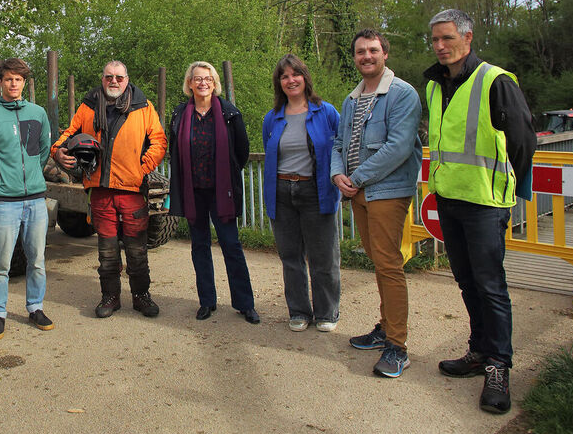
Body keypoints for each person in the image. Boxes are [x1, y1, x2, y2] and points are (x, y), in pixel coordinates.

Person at [424, 9, 536, 414]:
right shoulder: (435, 85)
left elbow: (523, 140)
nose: (440, 46)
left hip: (485, 204)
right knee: (468, 283)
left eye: (447, 38)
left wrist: (508, 184)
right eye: (435, 39)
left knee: (490, 285)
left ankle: (498, 366)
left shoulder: (495, 81)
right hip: (449, 200)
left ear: (467, 39)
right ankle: (478, 351)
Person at [331, 29, 422, 378]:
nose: (366, 56)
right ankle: (385, 327)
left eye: (372, 50)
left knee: (388, 263)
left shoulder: (402, 94)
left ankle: (397, 346)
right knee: (376, 257)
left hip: (386, 190)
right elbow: (339, 143)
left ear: (385, 53)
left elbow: (399, 148)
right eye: (359, 52)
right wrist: (338, 175)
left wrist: (357, 179)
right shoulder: (352, 99)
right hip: (358, 190)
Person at [52, 61, 168, 318]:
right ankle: (110, 297)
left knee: (137, 249)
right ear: (102, 79)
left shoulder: (143, 107)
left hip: (132, 190)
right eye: (108, 77)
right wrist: (58, 151)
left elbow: (159, 142)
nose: (113, 81)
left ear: (127, 79)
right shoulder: (89, 106)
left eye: (118, 77)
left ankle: (141, 296)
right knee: (107, 251)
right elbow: (68, 134)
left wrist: (142, 168)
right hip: (101, 190)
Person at [167, 62, 260, 324]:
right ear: (189, 84)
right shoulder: (179, 114)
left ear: (215, 82)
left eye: (207, 78)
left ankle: (245, 304)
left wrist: (225, 177)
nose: (202, 83)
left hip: (222, 192)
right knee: (199, 246)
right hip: (193, 191)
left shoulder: (230, 113)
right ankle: (207, 301)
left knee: (231, 245)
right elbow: (174, 150)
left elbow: (241, 152)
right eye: (197, 79)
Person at [0, 58, 53, 340]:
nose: (13, 84)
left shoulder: (38, 113)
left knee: (37, 259)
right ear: (1, 82)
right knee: (1, 262)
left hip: (35, 200)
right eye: (8, 79)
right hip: (4, 202)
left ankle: (35, 307)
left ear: (24, 82)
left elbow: (43, 151)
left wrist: (31, 177)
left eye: (18, 79)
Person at [261, 54, 342, 332]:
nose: (290, 80)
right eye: (284, 76)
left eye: (295, 74)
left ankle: (327, 312)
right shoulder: (272, 118)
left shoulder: (326, 112)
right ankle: (298, 311)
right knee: (291, 257)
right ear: (279, 83)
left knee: (323, 257)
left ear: (305, 78)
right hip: (282, 192)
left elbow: (339, 149)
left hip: (315, 190)